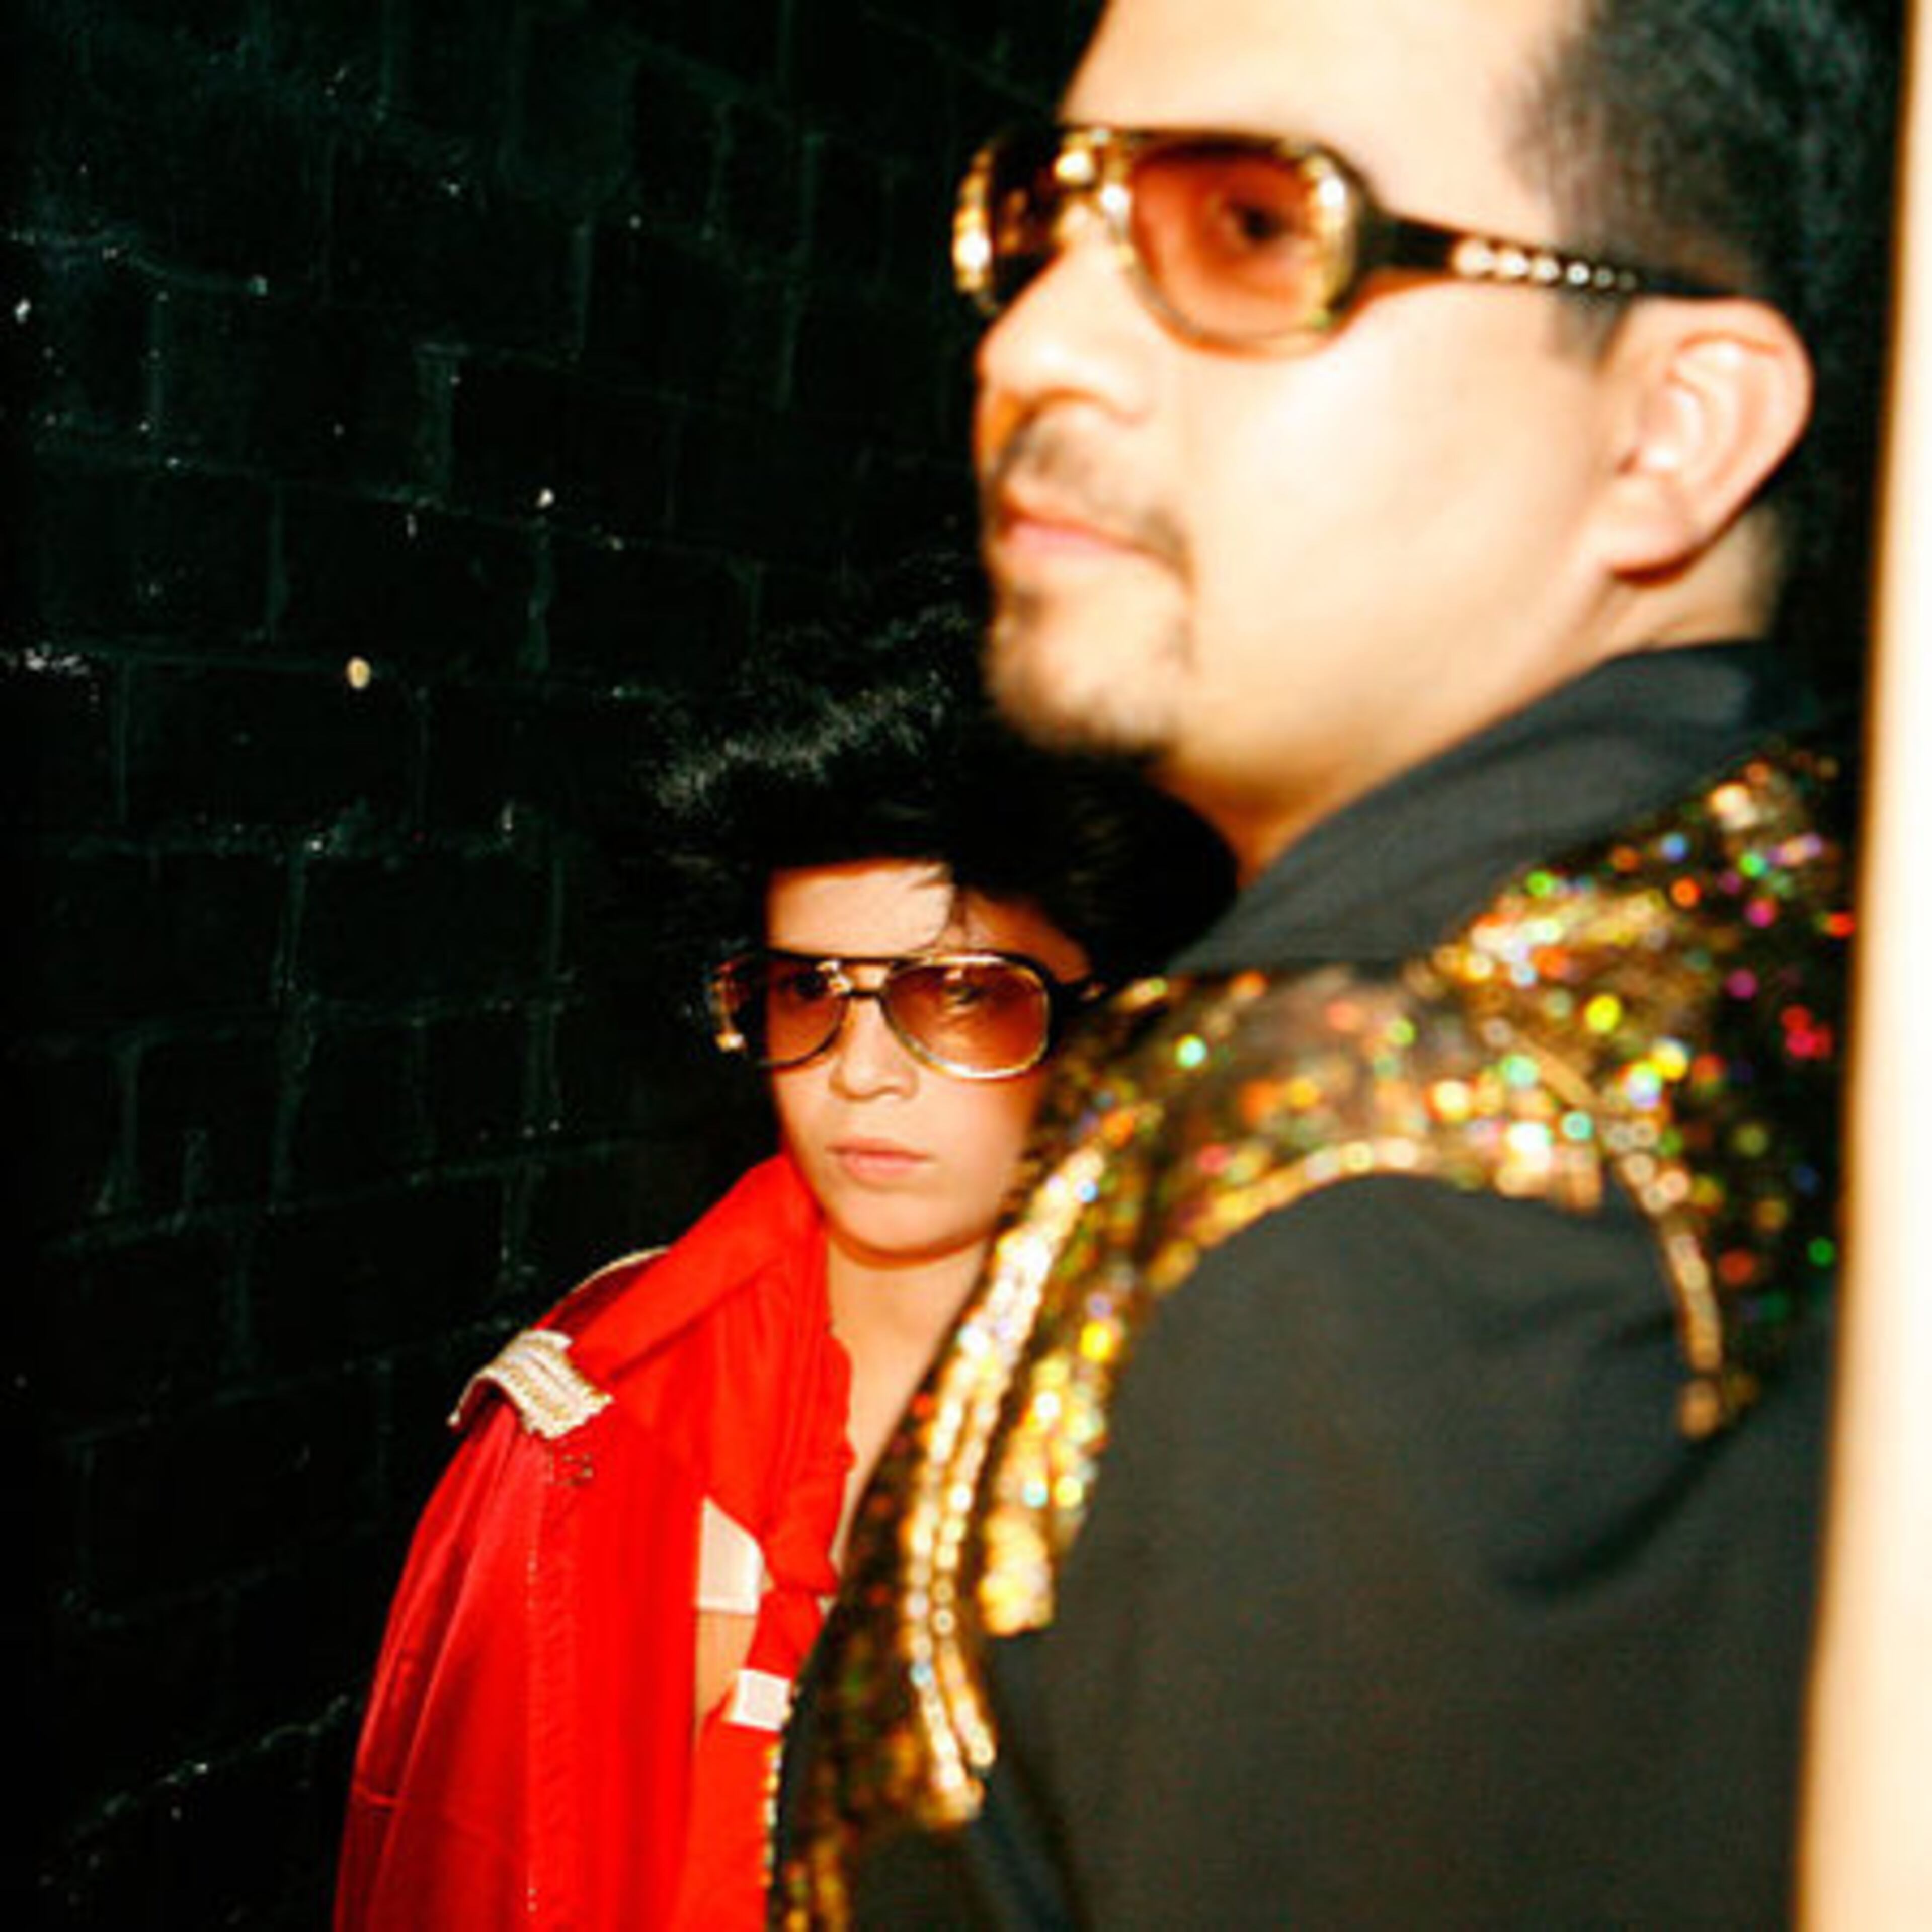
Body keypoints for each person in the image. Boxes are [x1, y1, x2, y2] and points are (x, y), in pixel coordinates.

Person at [776, 1, 1899, 1924]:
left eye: (1251, 227)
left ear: (1669, 428)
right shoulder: (1761, 910)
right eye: (1046, 219)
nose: (1033, 343)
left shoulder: (1397, 1189)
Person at [330, 597, 1235, 1930]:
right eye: (808, 990)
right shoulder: (592, 1426)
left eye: (960, 994)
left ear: (1117, 1021)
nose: (860, 1073)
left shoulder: (1245, 1411)